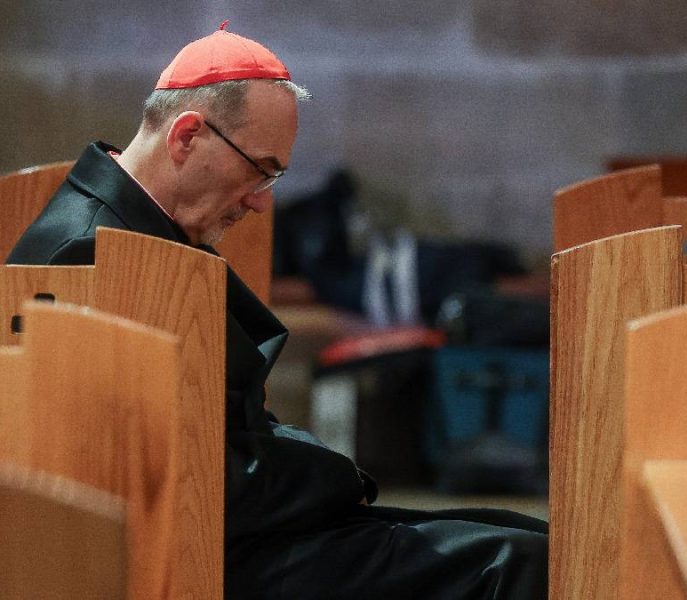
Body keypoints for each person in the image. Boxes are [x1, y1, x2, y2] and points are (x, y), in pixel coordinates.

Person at [6, 22, 548, 600]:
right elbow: (146, 474)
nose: (262, 202)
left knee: (525, 536)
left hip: (237, 529)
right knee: (516, 564)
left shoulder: (139, 226)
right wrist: (331, 475)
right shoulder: (89, 253)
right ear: (187, 136)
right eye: (260, 170)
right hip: (192, 557)